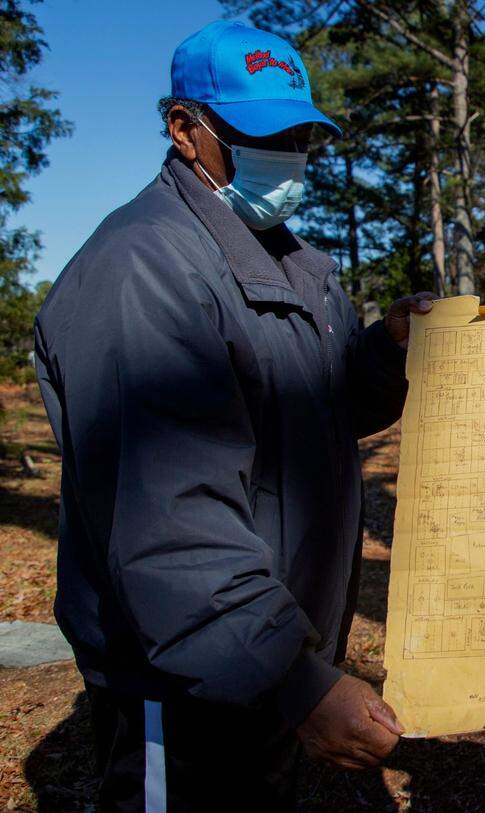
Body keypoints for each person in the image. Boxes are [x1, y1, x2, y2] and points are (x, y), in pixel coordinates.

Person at [33, 20, 433, 810]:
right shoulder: (142, 271)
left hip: (253, 656)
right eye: (263, 133)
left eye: (301, 134)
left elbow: (313, 414)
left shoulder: (296, 267)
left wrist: (384, 351)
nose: (289, 152)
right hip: (178, 678)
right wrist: (296, 682)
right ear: (186, 129)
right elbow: (170, 525)